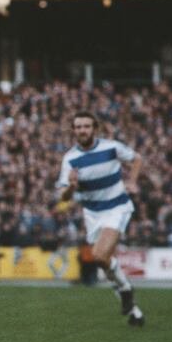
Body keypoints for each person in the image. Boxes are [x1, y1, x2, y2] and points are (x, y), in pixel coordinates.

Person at [57, 111, 145, 326]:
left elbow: (136, 159)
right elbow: (63, 196)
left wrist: (132, 182)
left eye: (86, 126)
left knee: (99, 255)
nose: (82, 130)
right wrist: (71, 187)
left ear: (94, 128)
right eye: (78, 127)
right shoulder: (70, 159)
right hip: (92, 213)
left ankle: (125, 290)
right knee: (102, 261)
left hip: (117, 207)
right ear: (73, 130)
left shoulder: (111, 147)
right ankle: (133, 309)